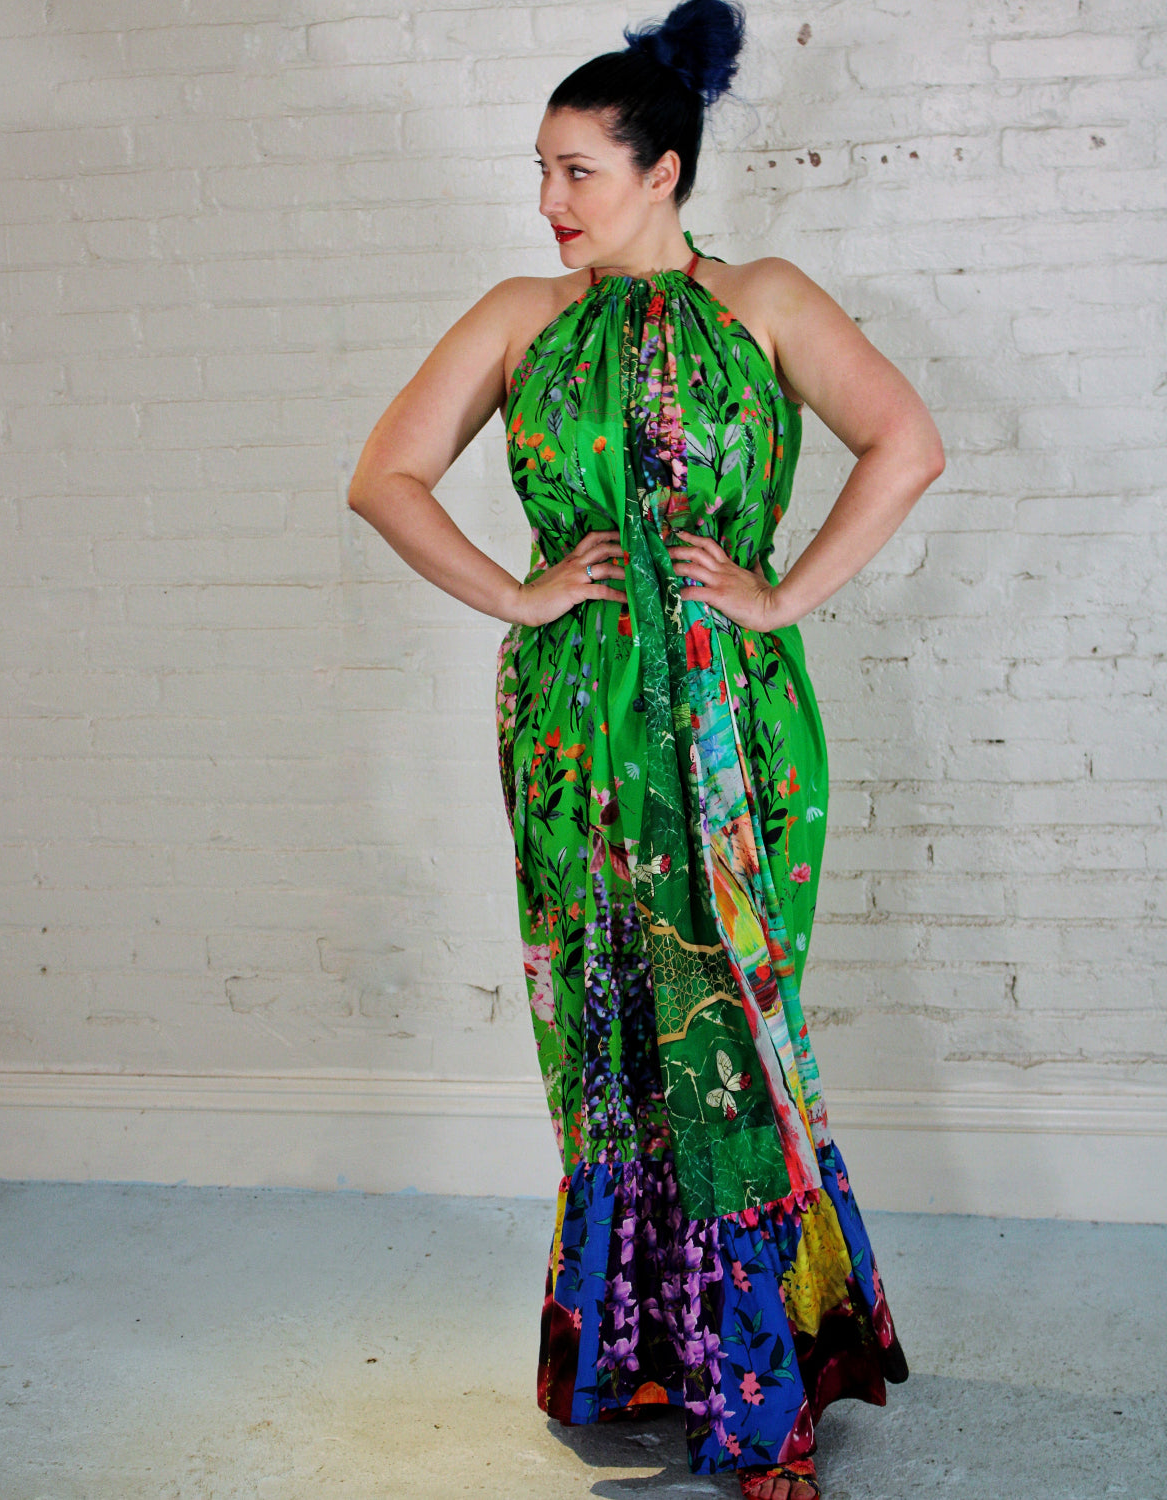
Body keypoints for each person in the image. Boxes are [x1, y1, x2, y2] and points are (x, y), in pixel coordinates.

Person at [347, 1, 943, 1493]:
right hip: (574, 735)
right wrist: (519, 594)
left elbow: (907, 442)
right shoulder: (517, 317)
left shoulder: (767, 300)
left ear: (663, 170)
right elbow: (385, 476)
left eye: (578, 172)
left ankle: (761, 1398)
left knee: (734, 1030)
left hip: (735, 720)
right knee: (605, 1037)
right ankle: (640, 1352)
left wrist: (784, 594)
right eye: (541, 172)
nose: (549, 202)